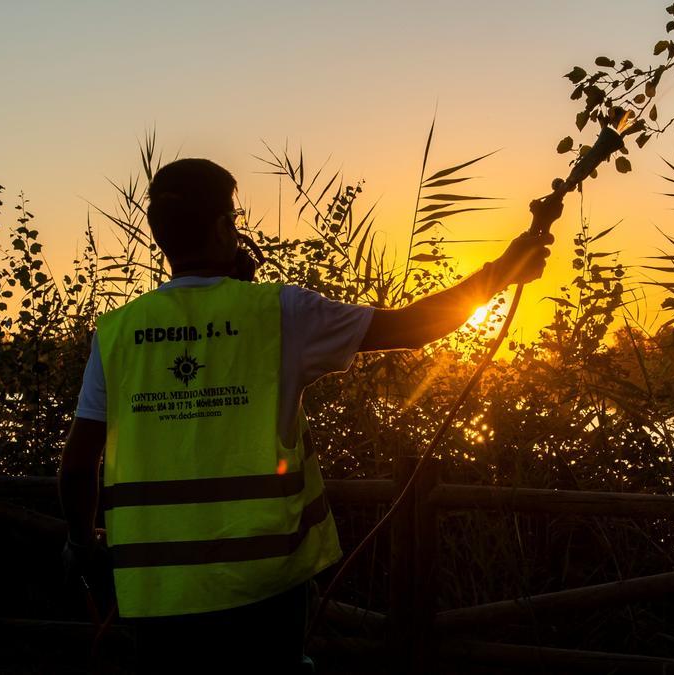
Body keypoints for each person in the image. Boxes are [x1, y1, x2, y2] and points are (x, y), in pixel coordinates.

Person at [58, 157, 554, 672]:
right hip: (265, 584)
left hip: (156, 589)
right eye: (232, 218)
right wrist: (499, 274)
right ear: (224, 227)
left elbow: (77, 466)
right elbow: (409, 327)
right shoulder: (280, 313)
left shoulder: (116, 332)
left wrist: (78, 541)